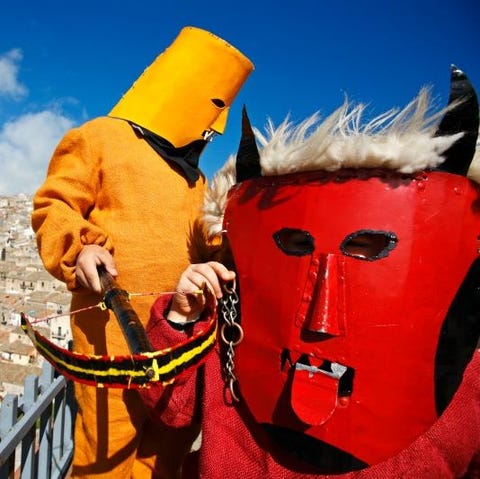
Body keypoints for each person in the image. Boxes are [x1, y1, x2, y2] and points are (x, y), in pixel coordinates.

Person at [142, 66, 480, 477]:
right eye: (296, 247)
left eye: (364, 250)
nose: (322, 318)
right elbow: (173, 409)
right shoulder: (232, 329)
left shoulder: (469, 376)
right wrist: (180, 319)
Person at [31, 26, 254, 478]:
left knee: (164, 459)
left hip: (178, 346)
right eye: (214, 106)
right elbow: (55, 205)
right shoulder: (98, 138)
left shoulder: (197, 181)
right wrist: (80, 250)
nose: (216, 126)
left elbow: (205, 246)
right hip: (110, 347)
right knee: (105, 462)